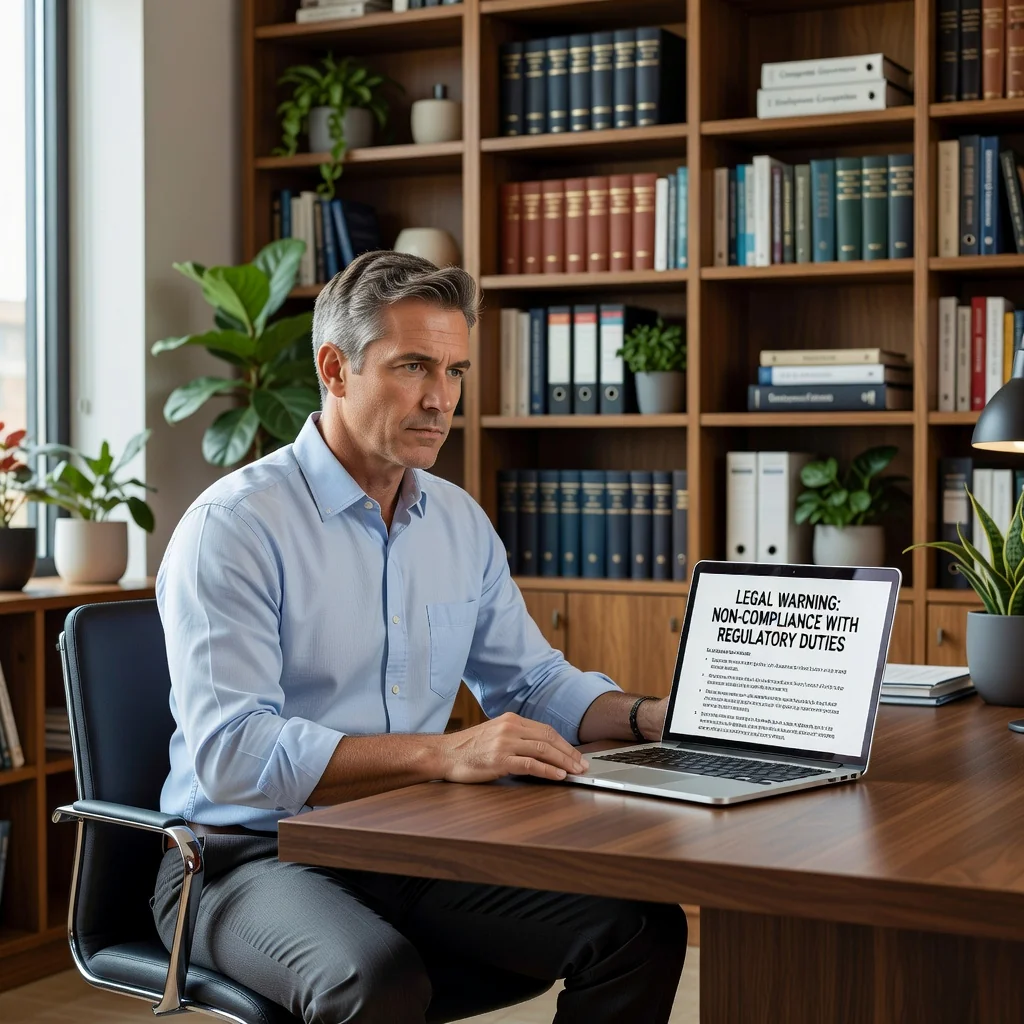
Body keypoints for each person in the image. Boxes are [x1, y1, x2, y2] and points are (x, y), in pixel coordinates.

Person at [152, 250, 687, 1023]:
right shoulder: (234, 528)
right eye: (413, 367)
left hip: (407, 842)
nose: (442, 400)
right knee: (376, 977)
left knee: (636, 925)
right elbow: (234, 755)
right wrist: (446, 755)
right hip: (241, 858)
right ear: (334, 368)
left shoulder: (458, 522)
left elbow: (532, 683)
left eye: (456, 371)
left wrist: (655, 717)